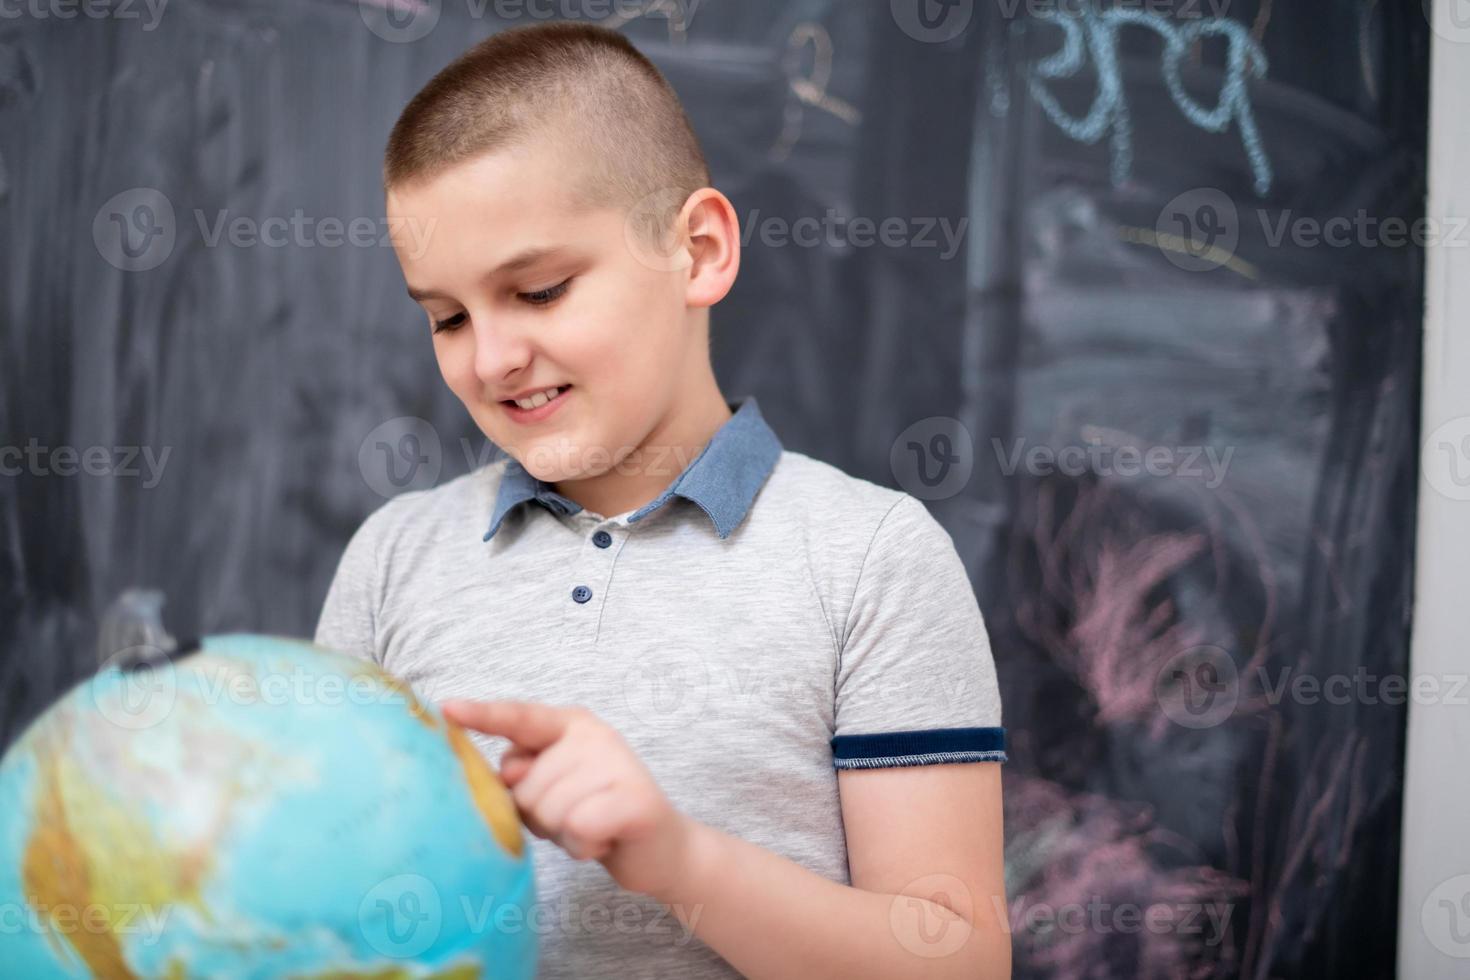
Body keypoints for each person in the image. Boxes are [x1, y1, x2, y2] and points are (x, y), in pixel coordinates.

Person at [315, 20, 1009, 980]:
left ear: (700, 250)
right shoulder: (394, 558)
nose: (490, 358)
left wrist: (680, 862)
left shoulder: (871, 559)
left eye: (543, 290)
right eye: (447, 316)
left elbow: (960, 964)